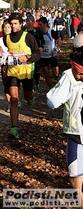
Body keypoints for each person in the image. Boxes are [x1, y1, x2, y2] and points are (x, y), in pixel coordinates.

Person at [46, 33, 83, 206]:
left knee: (76, 184)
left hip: (77, 136)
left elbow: (52, 101)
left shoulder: (70, 75)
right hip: (77, 134)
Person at [4, 13, 41, 139]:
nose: (13, 26)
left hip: (26, 72)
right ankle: (14, 128)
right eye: (11, 23)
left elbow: (37, 54)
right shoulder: (6, 38)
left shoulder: (28, 37)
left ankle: (31, 98)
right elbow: (5, 53)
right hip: (12, 71)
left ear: (21, 24)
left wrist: (28, 58)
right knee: (14, 100)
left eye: (15, 23)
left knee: (27, 95)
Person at [37, 17, 60, 89]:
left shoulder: (51, 32)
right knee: (46, 74)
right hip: (43, 57)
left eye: (40, 24)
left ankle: (58, 84)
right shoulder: (38, 33)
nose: (39, 26)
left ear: (45, 24)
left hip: (52, 55)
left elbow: (59, 41)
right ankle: (52, 89)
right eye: (38, 24)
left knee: (55, 73)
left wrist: (57, 49)